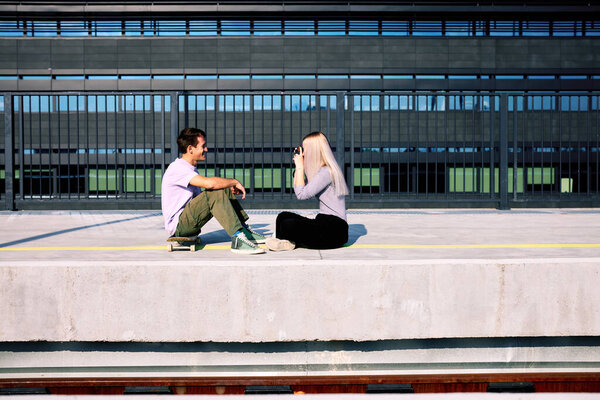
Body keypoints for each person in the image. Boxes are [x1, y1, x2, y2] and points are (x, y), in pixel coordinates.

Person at [161, 127, 266, 254]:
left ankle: (243, 231)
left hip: (188, 221)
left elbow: (202, 200)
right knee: (216, 190)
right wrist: (234, 182)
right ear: (190, 149)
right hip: (179, 226)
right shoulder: (178, 168)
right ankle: (238, 239)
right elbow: (210, 185)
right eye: (203, 146)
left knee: (222, 189)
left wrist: (225, 190)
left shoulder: (190, 169)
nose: (206, 149)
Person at [266, 131, 349, 251]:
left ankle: (288, 240)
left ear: (313, 151)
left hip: (335, 230)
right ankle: (288, 242)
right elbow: (301, 187)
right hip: (323, 221)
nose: (303, 153)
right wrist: (299, 168)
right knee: (283, 217)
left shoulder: (326, 172)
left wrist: (300, 166)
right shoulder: (321, 170)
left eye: (304, 149)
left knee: (288, 225)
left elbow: (302, 194)